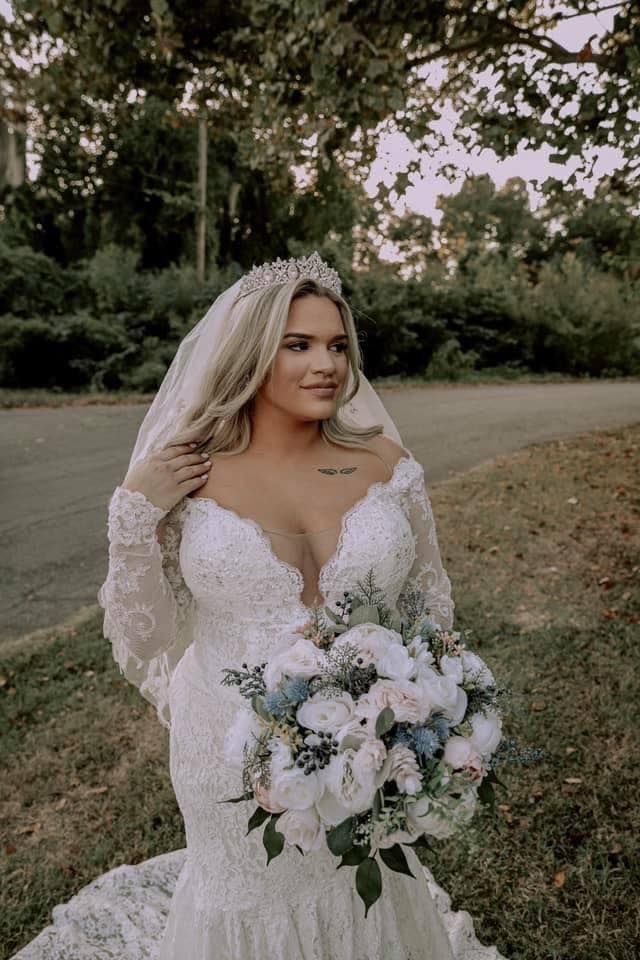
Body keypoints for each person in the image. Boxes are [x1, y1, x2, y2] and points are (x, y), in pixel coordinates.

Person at [12, 253, 507, 960]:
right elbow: (146, 637)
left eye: (337, 346)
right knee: (247, 908)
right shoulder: (186, 472)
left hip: (365, 745)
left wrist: (416, 716)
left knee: (355, 896)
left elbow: (428, 616)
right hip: (225, 746)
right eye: (298, 344)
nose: (326, 364)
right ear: (250, 355)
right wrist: (134, 516)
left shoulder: (385, 465)